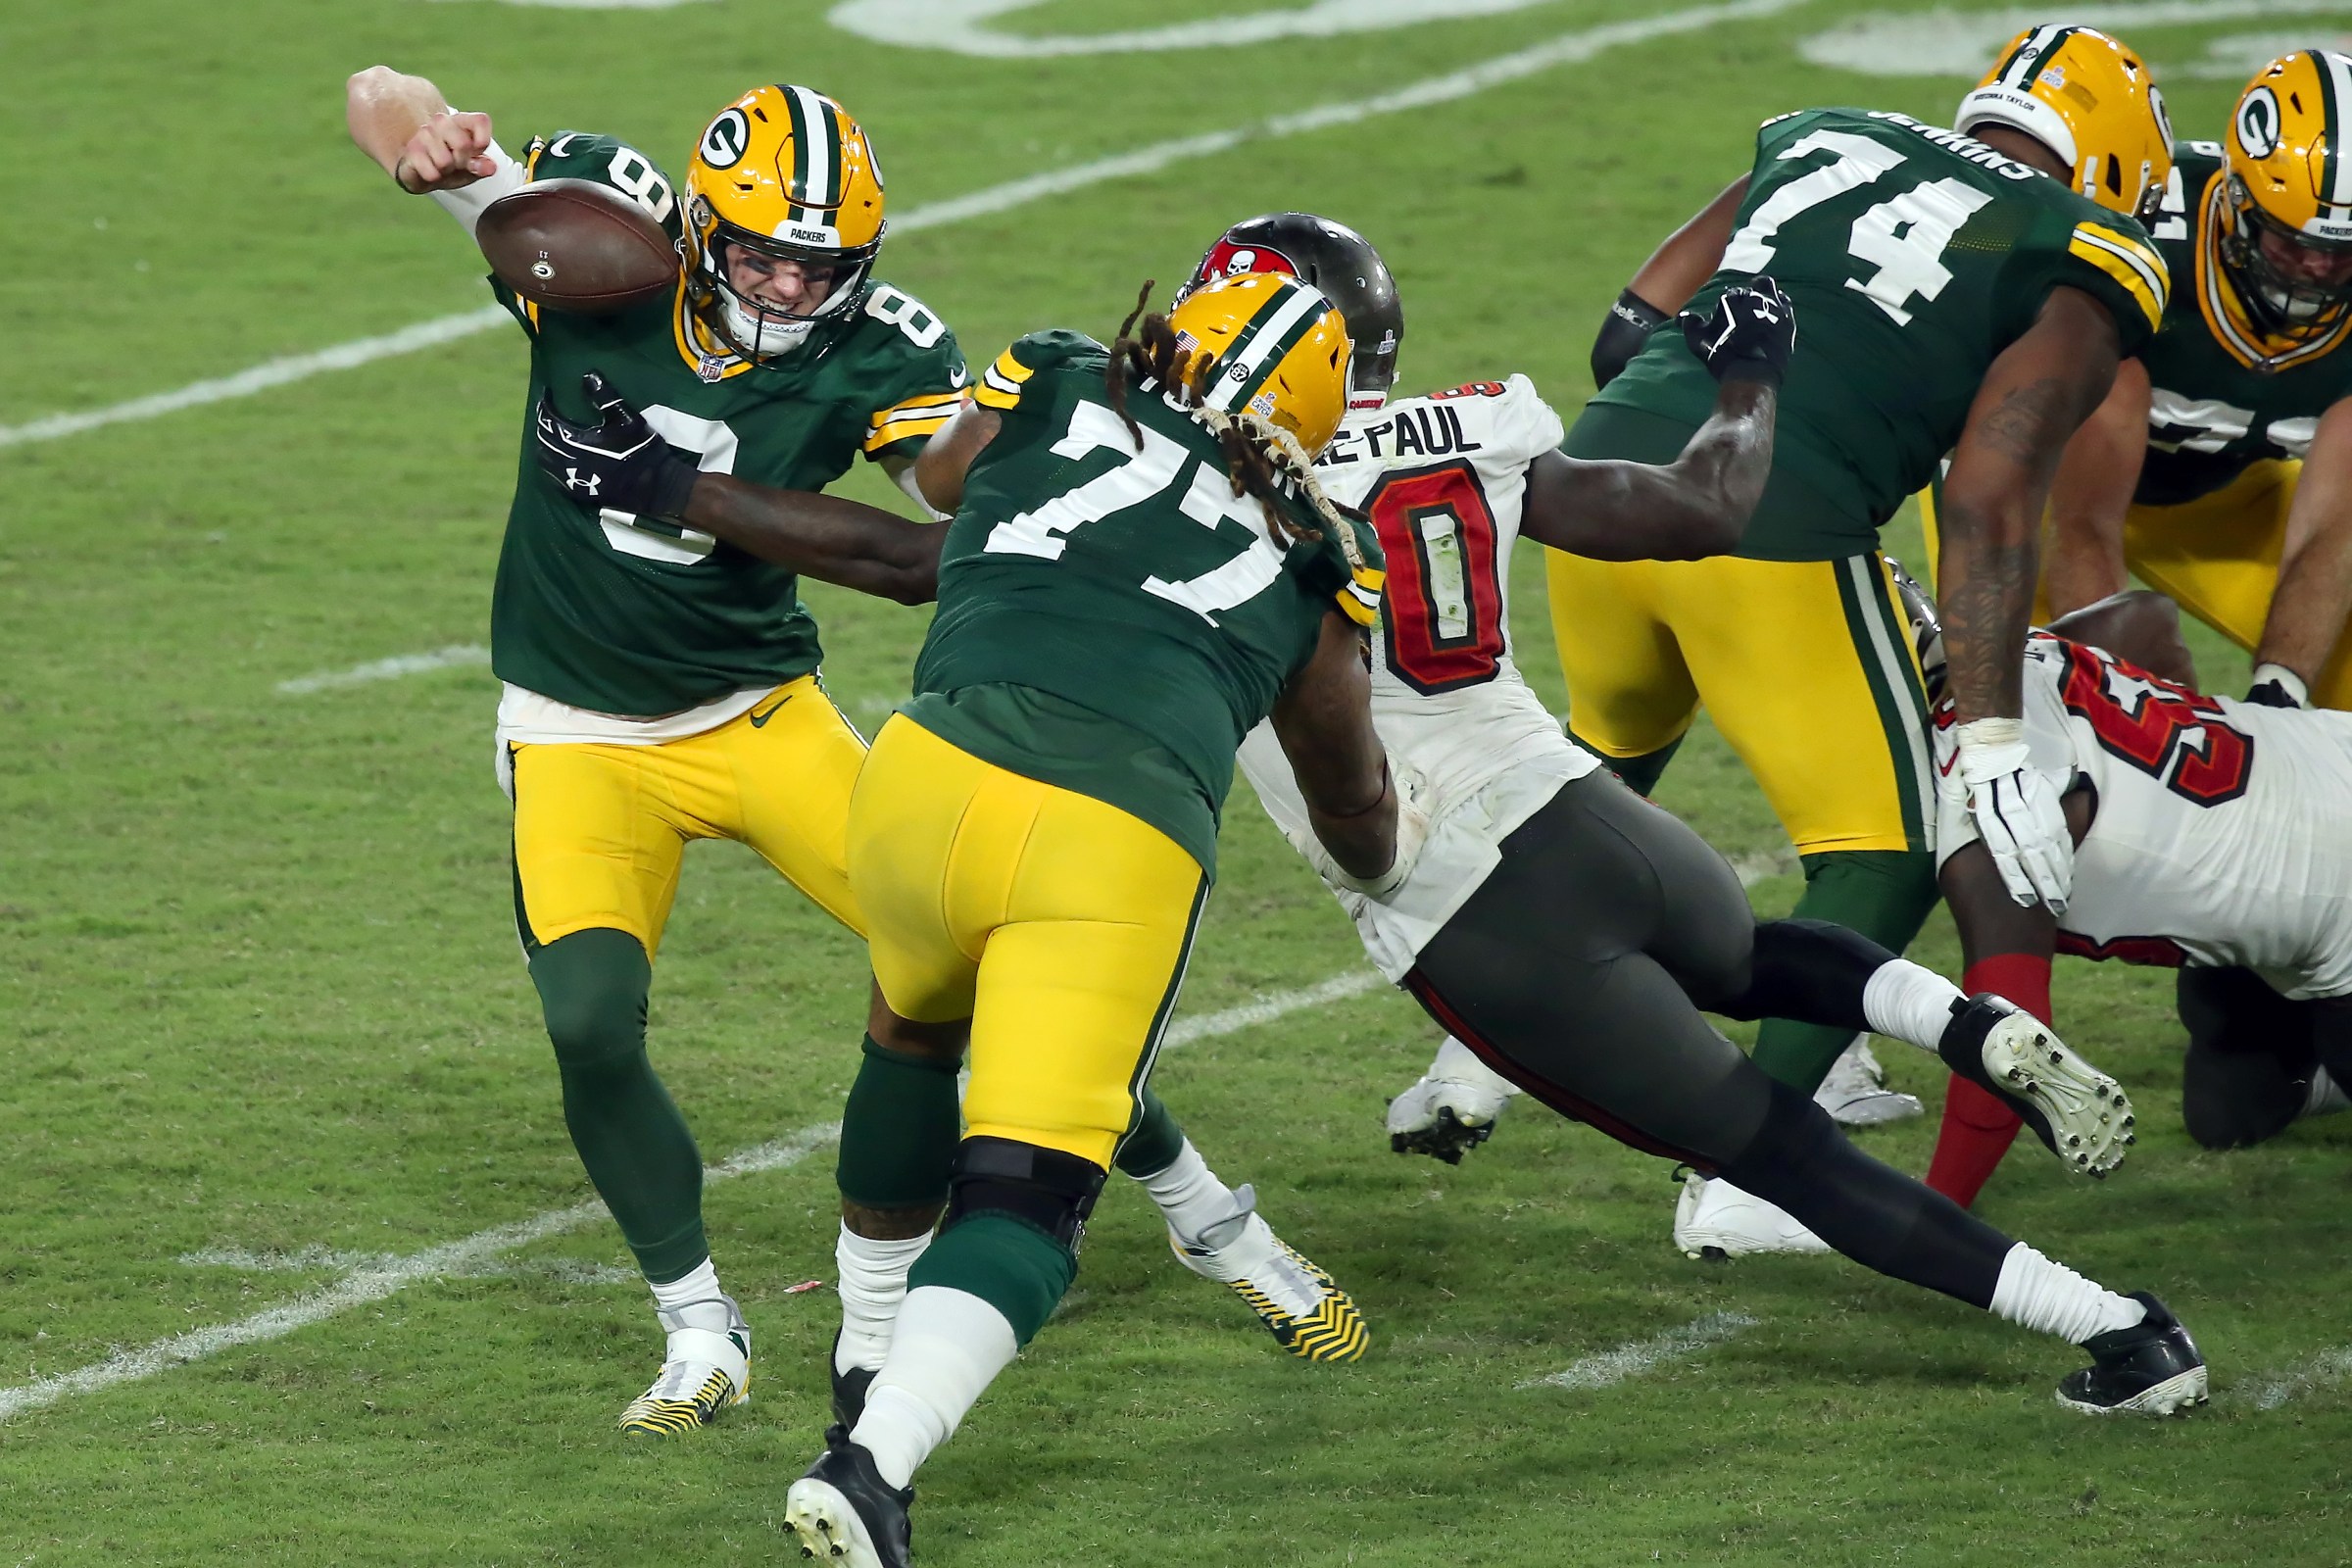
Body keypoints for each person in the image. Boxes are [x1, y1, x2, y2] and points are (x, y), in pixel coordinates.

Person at [1206, 221, 2192, 1419]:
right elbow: (1703, 504)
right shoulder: (1472, 426)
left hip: (1464, 902)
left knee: (1778, 1154)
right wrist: (1748, 375)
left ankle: (2123, 1332)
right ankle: (1967, 1026)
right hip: (1580, 807)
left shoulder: (1208, 496)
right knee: (1744, 957)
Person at [555, 268, 1386, 1564]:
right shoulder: (1325, 551)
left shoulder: (1058, 376)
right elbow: (1353, 797)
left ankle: (867, 1346)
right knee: (1031, 1194)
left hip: (921, 780)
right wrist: (1381, 846)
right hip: (1109, 843)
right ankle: (870, 1463)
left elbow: (943, 496)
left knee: (911, 1024)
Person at [345, 69, 976, 1434]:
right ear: (695, 225)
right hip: (576, 731)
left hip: (759, 715)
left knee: (974, 942)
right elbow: (377, 90)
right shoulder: (597, 235)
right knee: (585, 1026)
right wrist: (427, 146)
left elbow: (942, 509)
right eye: (759, 254)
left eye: (820, 268)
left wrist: (1015, 441)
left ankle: (1193, 1202)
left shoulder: (885, 347)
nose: (790, 291)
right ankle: (698, 1324)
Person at [1549, 26, 2177, 1251]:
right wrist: (1993, 738)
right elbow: (1992, 502)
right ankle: (1746, 1170)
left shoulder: (1827, 133)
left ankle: (1478, 1058)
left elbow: (1629, 327)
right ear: (2110, 170)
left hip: (1594, 482)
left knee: (1593, 774)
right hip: (1768, 520)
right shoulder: (2078, 244)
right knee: (1884, 853)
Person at [1896, 578, 2352, 1202]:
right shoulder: (2025, 651)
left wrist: (1933, 1209)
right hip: (2324, 764)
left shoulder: (1983, 818)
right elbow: (2147, 615)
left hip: (2336, 909)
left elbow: (2011, 1048)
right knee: (2230, 1108)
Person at [2021, 51, 2352, 712]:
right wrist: (2150, 721)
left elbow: (2336, 525)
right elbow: (2081, 522)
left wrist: (2278, 693)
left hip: (2225, 496)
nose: (2315, 269)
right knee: (2047, 724)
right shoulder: (2143, 243)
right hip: (2038, 489)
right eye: (2290, 243)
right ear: (2234, 200)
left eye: (2343, 251)